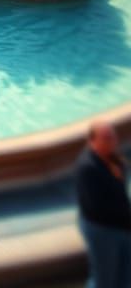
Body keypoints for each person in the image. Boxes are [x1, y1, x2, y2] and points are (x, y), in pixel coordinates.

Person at [76, 121, 131, 288]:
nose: (112, 141)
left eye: (113, 137)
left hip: (120, 227)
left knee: (125, 275)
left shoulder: (114, 160)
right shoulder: (88, 168)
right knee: (104, 279)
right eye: (106, 138)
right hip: (102, 230)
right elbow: (97, 209)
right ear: (93, 142)